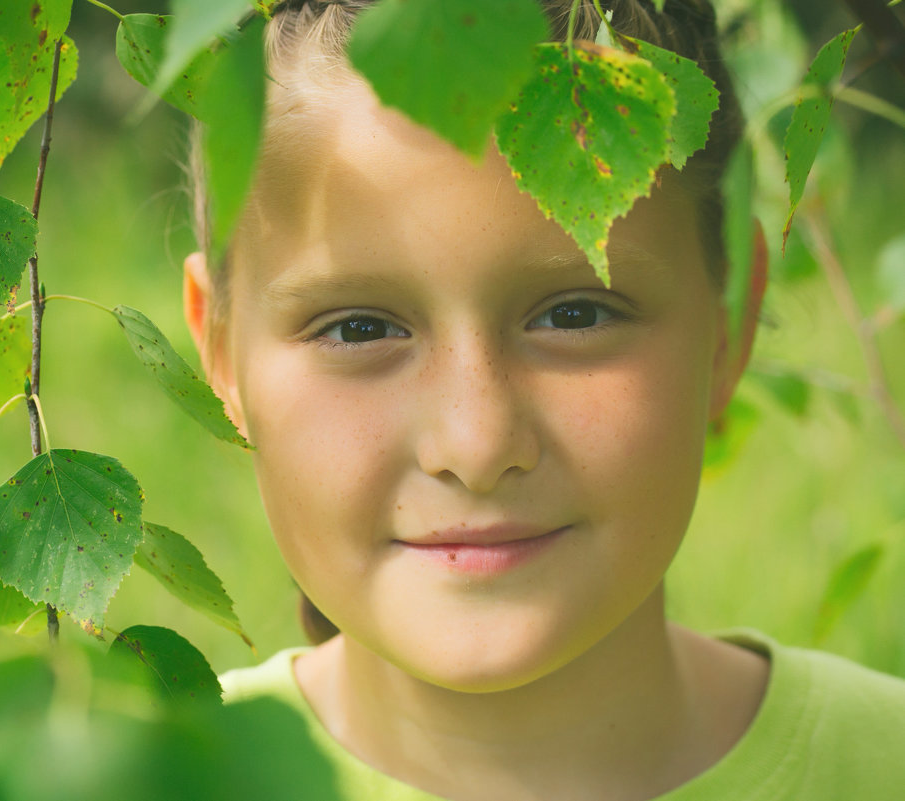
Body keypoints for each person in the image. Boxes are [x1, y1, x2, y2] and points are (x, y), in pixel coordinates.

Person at [181, 1, 905, 799]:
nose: (477, 444)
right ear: (221, 353)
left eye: (575, 314)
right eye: (357, 327)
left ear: (727, 320)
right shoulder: (146, 776)